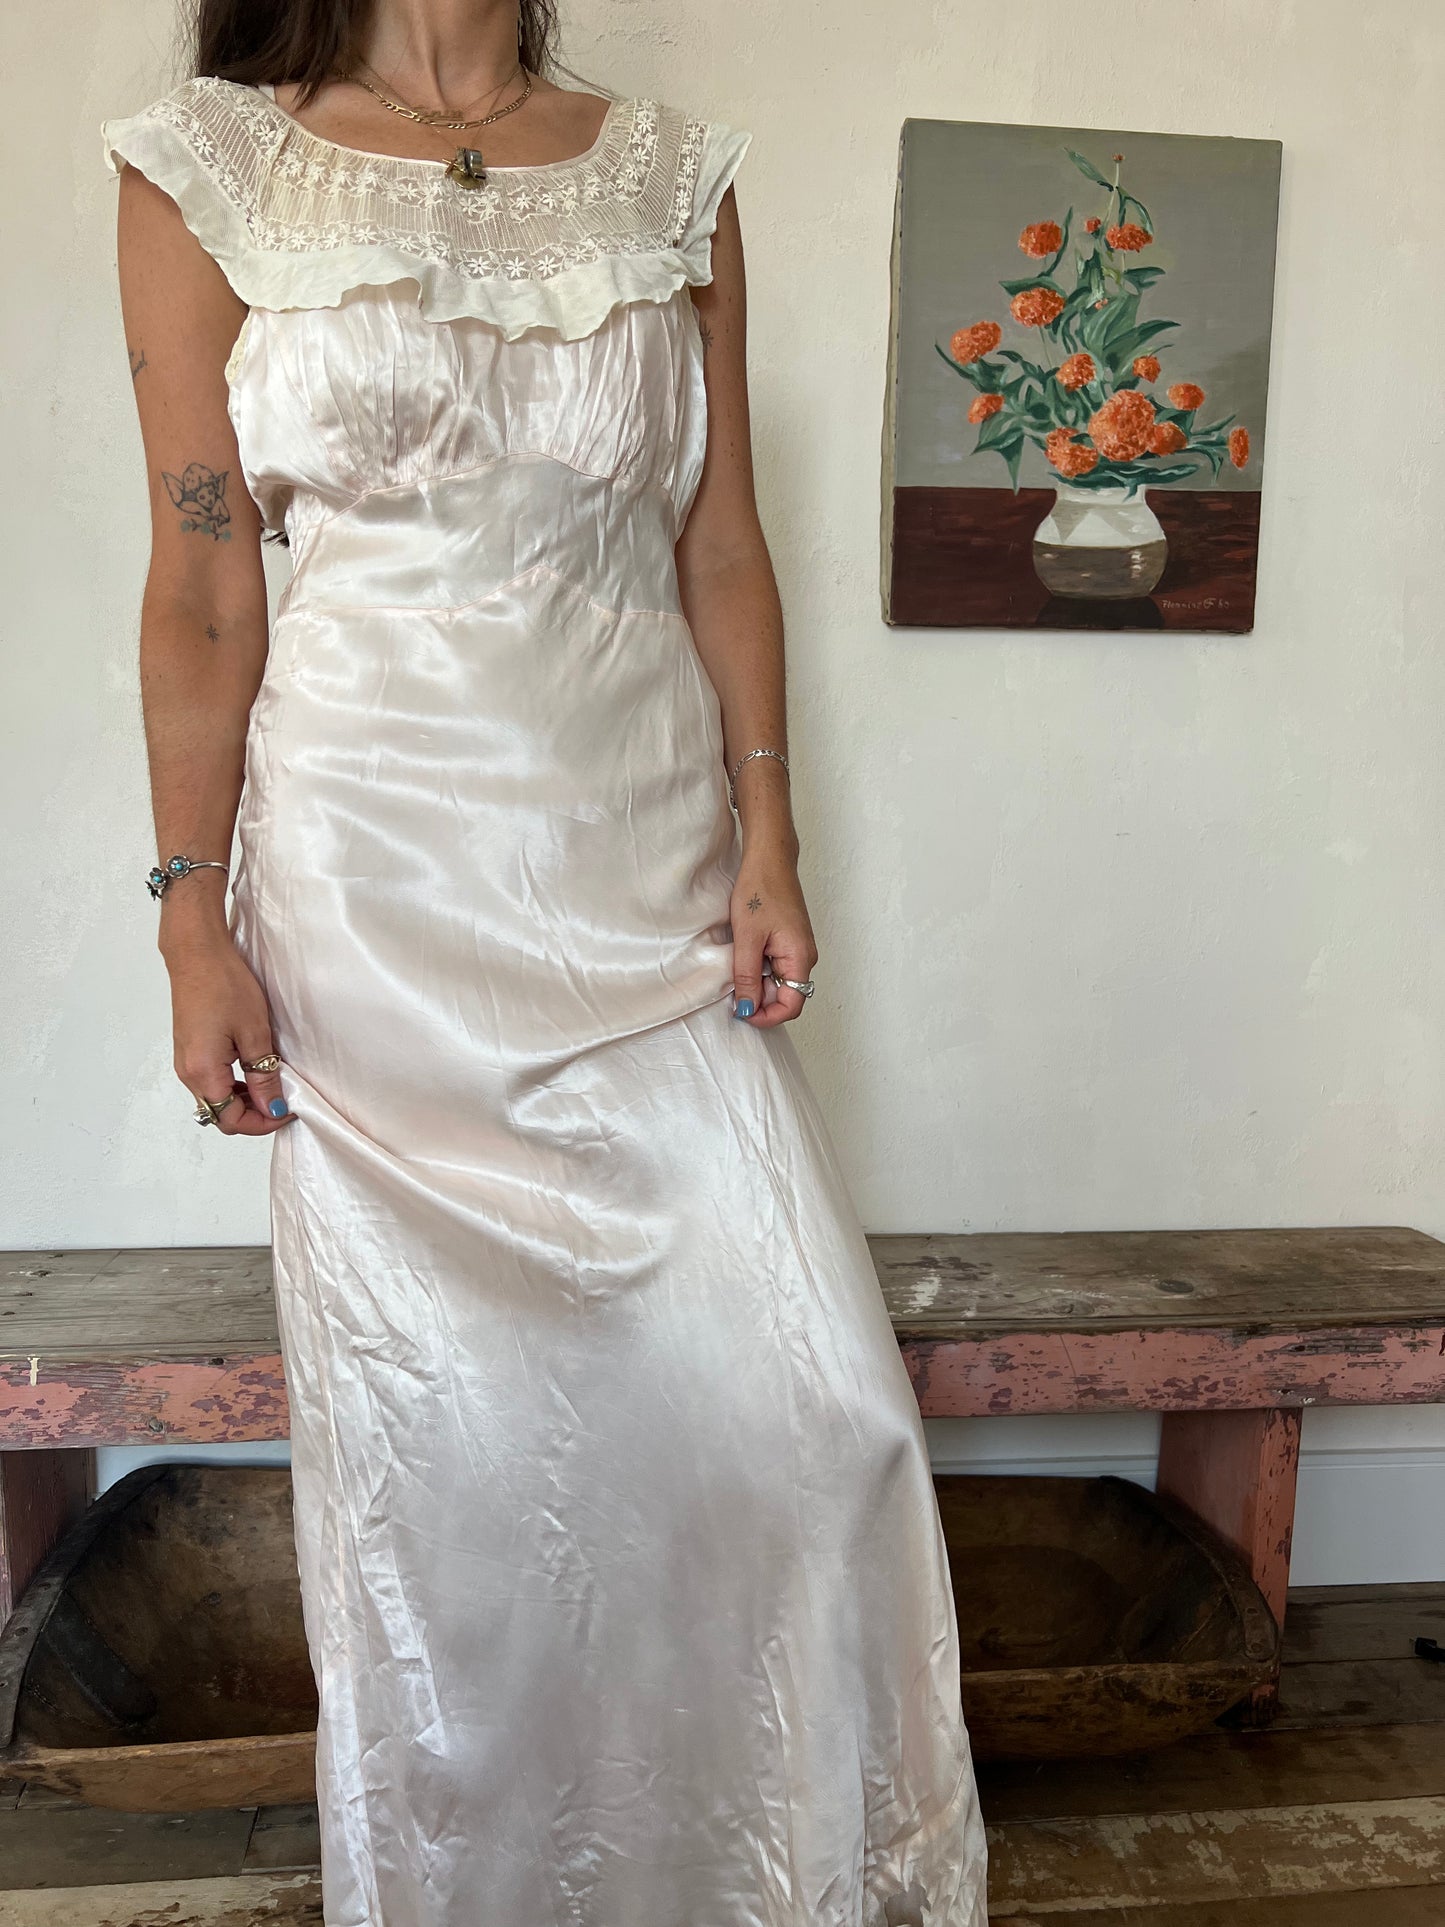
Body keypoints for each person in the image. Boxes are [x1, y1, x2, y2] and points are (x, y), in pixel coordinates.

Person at [104, 2, 989, 1918]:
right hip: (369, 895)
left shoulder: (672, 175)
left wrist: (769, 831)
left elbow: (719, 544)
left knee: (798, 1417)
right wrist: (191, 909)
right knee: (459, 1479)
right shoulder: (208, 167)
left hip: (644, 866)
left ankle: (769, 1883)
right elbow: (203, 579)